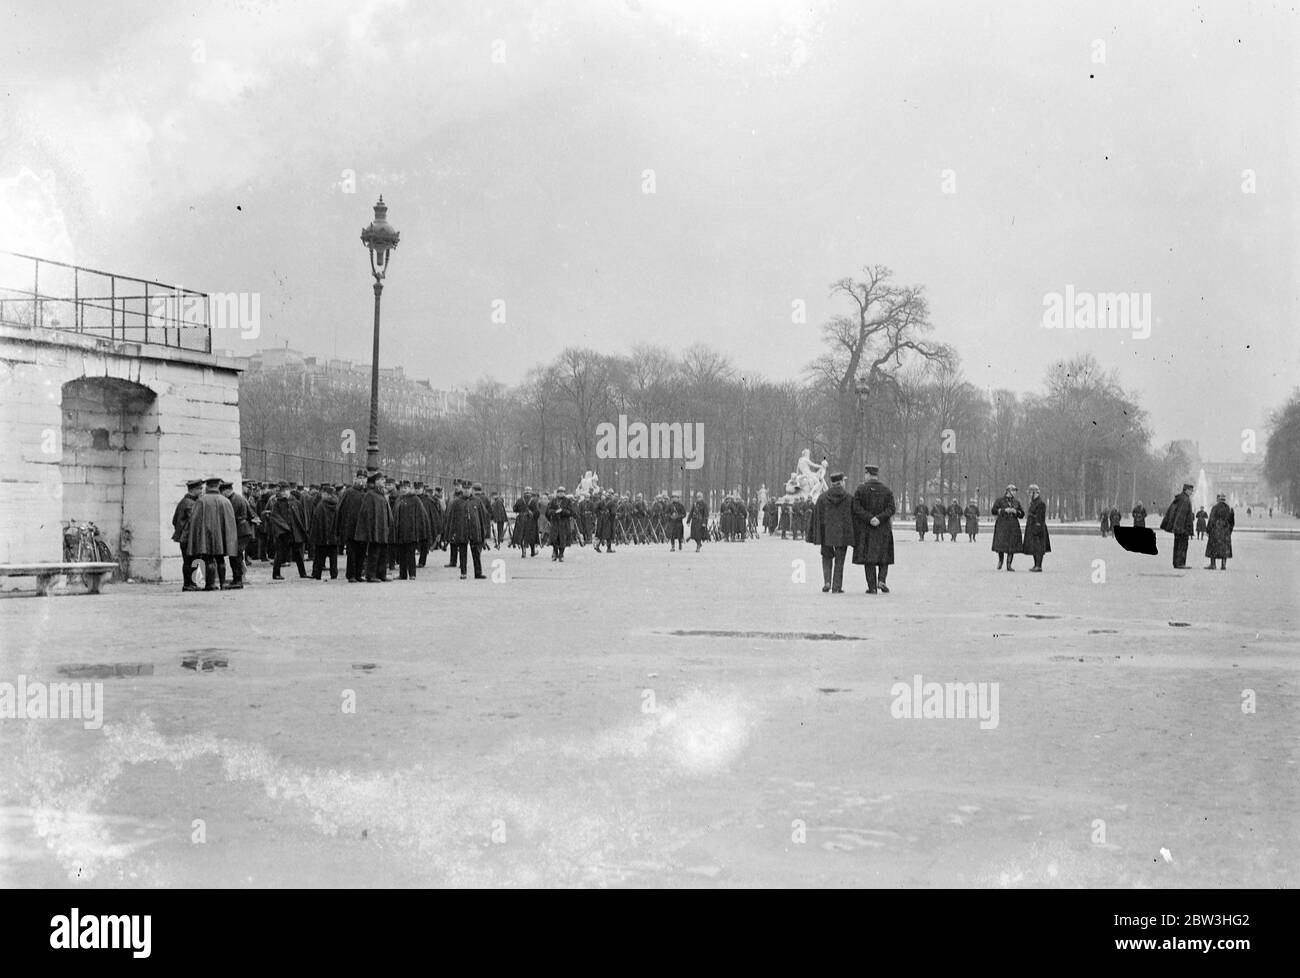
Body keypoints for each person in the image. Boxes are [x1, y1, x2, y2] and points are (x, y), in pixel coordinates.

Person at [185, 477, 238, 591]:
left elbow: (195, 521)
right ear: (218, 486)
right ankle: (223, 584)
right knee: (220, 560)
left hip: (206, 536)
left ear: (208, 486)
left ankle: (210, 584)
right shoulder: (225, 501)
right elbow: (230, 522)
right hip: (221, 537)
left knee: (208, 559)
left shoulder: (201, 501)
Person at [851, 464, 895, 594]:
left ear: (868, 474)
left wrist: (870, 518)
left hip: (867, 529)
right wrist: (880, 518)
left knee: (868, 558)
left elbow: (856, 508)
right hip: (883, 529)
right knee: (884, 556)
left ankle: (872, 587)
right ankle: (882, 579)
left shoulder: (860, 490)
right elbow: (892, 508)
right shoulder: (887, 490)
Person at [809, 472, 853, 593]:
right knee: (840, 560)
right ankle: (837, 586)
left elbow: (816, 516)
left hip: (826, 533)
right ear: (841, 483)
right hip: (842, 535)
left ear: (832, 483)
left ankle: (827, 582)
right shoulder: (849, 498)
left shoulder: (822, 497)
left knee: (826, 557)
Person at [265, 481, 308, 580]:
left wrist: (302, 529)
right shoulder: (277, 504)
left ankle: (303, 573)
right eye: (281, 491)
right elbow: (275, 517)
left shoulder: (296, 502)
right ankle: (276, 574)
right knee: (280, 554)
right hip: (283, 533)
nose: (283, 493)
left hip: (294, 532)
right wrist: (284, 527)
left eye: (285, 491)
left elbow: (301, 517)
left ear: (289, 491)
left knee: (298, 554)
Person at [355, 473, 391, 583]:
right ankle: (371, 575)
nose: (384, 481)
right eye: (381, 480)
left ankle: (381, 574)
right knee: (374, 552)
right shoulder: (370, 495)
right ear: (375, 481)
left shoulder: (381, 494)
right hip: (375, 529)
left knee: (383, 553)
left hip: (382, 528)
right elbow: (366, 514)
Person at [446, 486, 489, 580]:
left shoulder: (477, 501)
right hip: (462, 530)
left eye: (468, 488)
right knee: (462, 552)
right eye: (464, 488)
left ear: (471, 490)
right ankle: (463, 572)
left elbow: (482, 518)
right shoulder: (457, 502)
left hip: (474, 531)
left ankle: (478, 573)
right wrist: (451, 533)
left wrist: (484, 533)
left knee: (476, 553)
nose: (466, 490)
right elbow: (452, 518)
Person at [221, 481, 255, 589]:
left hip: (240, 531)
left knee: (235, 556)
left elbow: (231, 517)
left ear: (226, 490)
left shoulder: (233, 500)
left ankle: (238, 580)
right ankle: (237, 578)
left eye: (222, 492)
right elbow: (251, 514)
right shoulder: (239, 498)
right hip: (243, 530)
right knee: (236, 555)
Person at [172, 479, 203, 591]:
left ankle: (190, 584)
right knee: (190, 560)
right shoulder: (190, 503)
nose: (201, 491)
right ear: (193, 489)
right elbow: (195, 521)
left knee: (190, 560)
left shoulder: (184, 502)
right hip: (189, 538)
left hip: (185, 538)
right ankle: (189, 584)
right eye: (200, 489)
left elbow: (174, 520)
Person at [1159, 482, 1196, 569]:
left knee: (1177, 545)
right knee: (1182, 546)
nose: (1192, 492)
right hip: (1182, 528)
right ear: (1186, 490)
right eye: (1191, 490)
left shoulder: (1181, 498)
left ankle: (1176, 562)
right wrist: (1181, 528)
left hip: (1179, 528)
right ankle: (1180, 563)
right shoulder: (1185, 499)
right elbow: (1181, 515)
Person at [309, 483, 341, 580]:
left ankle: (316, 574)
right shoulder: (336, 505)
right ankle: (334, 574)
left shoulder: (321, 506)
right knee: (333, 557)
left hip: (322, 536)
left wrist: (313, 537)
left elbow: (316, 521)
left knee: (319, 556)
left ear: (327, 494)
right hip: (333, 536)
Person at [991, 484, 1024, 571]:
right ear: (1008, 491)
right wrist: (1003, 510)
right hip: (1002, 525)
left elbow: (1022, 514)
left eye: (1015, 491)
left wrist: (1016, 512)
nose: (1015, 493)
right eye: (1013, 491)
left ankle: (1009, 564)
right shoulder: (999, 500)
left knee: (1012, 545)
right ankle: (1000, 560)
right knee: (1001, 544)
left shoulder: (1017, 502)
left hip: (1013, 526)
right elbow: (993, 510)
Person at [1021, 484, 1051, 572]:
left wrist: (1037, 527)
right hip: (1032, 526)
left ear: (1035, 493)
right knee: (1034, 547)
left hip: (1038, 527)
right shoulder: (1034, 502)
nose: (1029, 495)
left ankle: (1038, 565)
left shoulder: (1040, 503)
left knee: (1039, 548)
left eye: (1031, 493)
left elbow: (1040, 517)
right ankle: (1036, 565)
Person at [1204, 493, 1235, 570]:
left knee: (1213, 547)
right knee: (1224, 548)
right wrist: (1229, 530)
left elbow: (1211, 519)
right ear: (1225, 500)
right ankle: (1223, 565)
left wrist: (1208, 530)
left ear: (1219, 499)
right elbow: (1232, 521)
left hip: (1216, 529)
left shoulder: (1215, 507)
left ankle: (1213, 564)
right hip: (1225, 531)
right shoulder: (1228, 508)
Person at [546, 487, 574, 561]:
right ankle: (555, 553)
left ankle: (561, 554)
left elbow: (571, 512)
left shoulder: (567, 501)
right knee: (554, 539)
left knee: (563, 539)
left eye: (562, 492)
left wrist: (563, 511)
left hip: (564, 522)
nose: (561, 493)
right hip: (555, 522)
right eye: (559, 492)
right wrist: (554, 512)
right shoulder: (553, 500)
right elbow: (548, 511)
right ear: (557, 493)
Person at [513, 487, 540, 558]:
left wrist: (521, 511)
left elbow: (514, 509)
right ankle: (532, 551)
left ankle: (523, 551)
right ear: (530, 493)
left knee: (522, 535)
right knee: (532, 536)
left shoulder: (519, 500)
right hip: (531, 520)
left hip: (521, 520)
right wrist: (534, 515)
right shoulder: (534, 501)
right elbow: (537, 512)